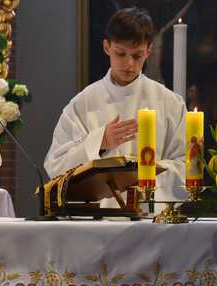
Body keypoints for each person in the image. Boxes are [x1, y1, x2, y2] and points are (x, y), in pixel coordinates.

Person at [44, 7, 187, 205]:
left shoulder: (170, 103)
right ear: (107, 47)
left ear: (149, 51)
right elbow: (56, 166)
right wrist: (99, 143)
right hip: (98, 225)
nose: (129, 64)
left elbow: (185, 165)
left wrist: (142, 174)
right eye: (121, 54)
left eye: (137, 56)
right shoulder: (83, 103)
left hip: (151, 220)